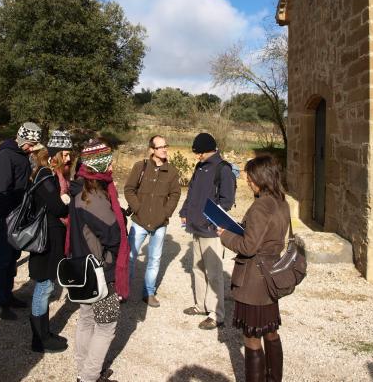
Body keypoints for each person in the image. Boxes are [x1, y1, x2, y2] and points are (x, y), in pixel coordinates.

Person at [218, 155, 290, 382]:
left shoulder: (260, 206)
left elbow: (248, 246)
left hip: (253, 282)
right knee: (271, 332)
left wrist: (225, 235)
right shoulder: (282, 202)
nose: (248, 182)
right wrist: (242, 228)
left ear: (261, 178)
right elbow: (265, 236)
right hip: (271, 277)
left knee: (251, 337)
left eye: (250, 178)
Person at [70, 139, 129, 382]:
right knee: (105, 327)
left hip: (81, 269)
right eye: (109, 159)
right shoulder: (95, 198)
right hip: (100, 272)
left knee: (85, 319)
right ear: (101, 165)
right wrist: (121, 222)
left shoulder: (79, 192)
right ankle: (89, 377)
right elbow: (113, 237)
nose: (112, 164)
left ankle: (83, 370)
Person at [179, 132, 235, 330]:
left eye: (199, 153)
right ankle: (201, 306)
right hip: (195, 227)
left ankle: (216, 314)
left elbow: (227, 201)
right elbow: (192, 192)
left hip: (211, 231)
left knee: (214, 273)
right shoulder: (200, 167)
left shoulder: (223, 169)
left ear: (209, 150)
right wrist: (185, 212)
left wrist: (211, 222)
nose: (197, 156)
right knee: (198, 268)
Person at [0, 121, 43, 319]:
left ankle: (7, 295)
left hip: (18, 214)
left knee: (13, 257)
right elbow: (2, 191)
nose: (31, 149)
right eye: (30, 144)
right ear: (21, 139)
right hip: (7, 215)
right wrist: (17, 206)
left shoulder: (23, 155)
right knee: (4, 258)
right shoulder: (6, 155)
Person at [28, 130, 73, 353]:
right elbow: (57, 207)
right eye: (65, 154)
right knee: (44, 287)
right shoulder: (45, 175)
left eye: (69, 154)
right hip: (44, 240)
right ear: (54, 154)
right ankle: (39, 339)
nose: (69, 159)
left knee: (47, 286)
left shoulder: (54, 176)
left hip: (52, 237)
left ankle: (44, 332)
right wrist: (66, 201)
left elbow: (60, 203)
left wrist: (65, 199)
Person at [124, 135, 180, 307]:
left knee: (154, 259)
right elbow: (129, 189)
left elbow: (175, 194)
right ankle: (123, 290)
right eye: (160, 147)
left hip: (160, 224)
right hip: (139, 222)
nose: (164, 149)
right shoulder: (140, 167)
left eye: (166, 146)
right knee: (131, 256)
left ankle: (148, 292)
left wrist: (165, 213)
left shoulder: (172, 171)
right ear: (152, 150)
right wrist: (138, 208)